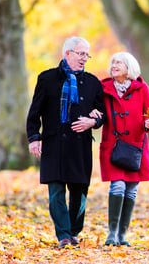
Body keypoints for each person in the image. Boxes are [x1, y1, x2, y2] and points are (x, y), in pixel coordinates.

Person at [26, 36, 106, 248]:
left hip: (80, 146)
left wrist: (93, 121)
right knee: (56, 193)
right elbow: (34, 113)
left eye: (87, 55)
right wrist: (34, 137)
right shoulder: (47, 78)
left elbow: (102, 113)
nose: (85, 59)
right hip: (54, 144)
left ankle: (72, 231)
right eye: (81, 54)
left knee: (79, 193)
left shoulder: (93, 82)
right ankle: (63, 235)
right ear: (67, 53)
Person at [90, 52, 149, 246]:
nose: (114, 65)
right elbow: (96, 109)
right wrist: (93, 112)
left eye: (119, 62)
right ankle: (111, 232)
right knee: (117, 185)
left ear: (130, 67)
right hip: (113, 145)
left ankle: (122, 235)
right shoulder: (103, 88)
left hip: (136, 146)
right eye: (113, 62)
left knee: (131, 190)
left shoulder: (142, 88)